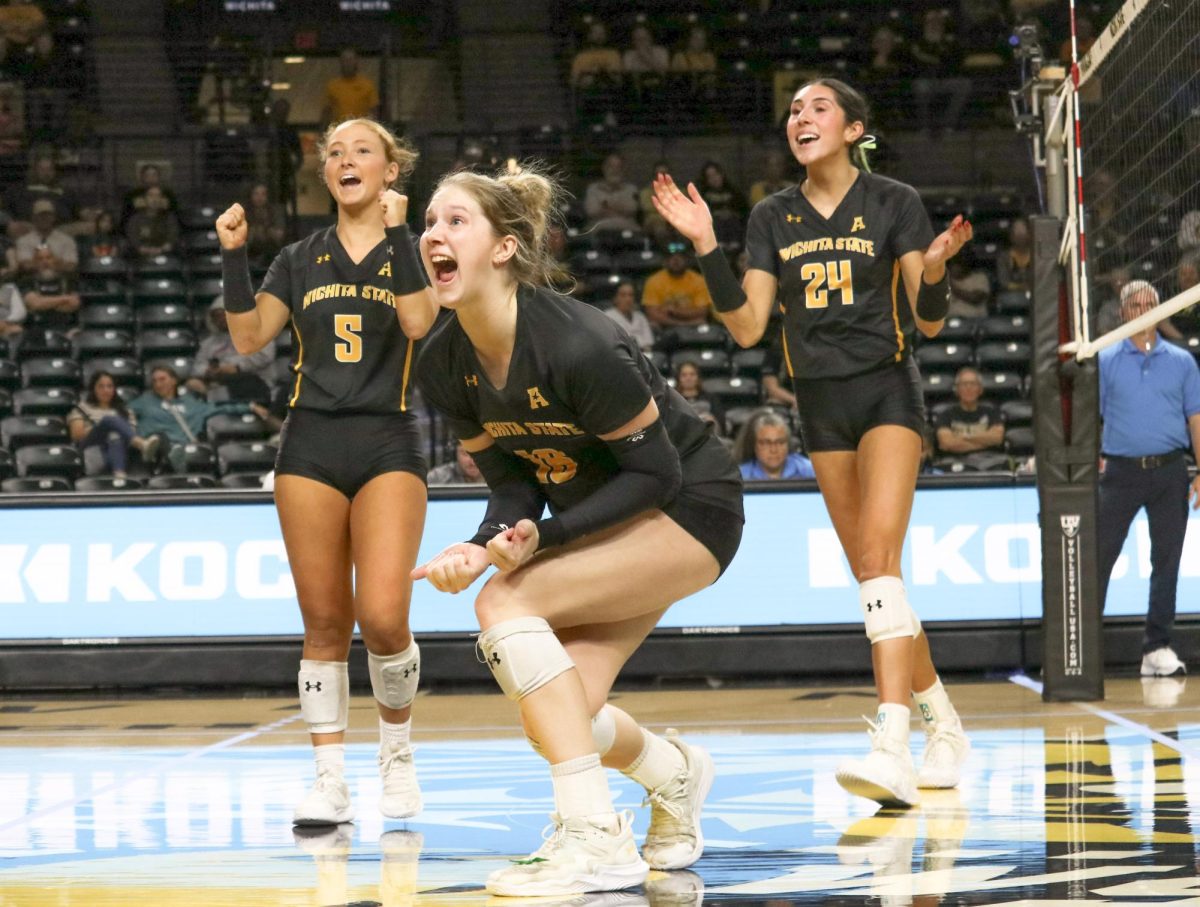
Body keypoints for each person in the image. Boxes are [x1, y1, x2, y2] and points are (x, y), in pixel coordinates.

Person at [412, 163, 743, 895]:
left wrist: (544, 540)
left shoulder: (579, 342)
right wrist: (480, 542)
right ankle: (675, 774)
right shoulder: (442, 361)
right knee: (558, 712)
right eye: (429, 222)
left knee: (503, 604)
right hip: (606, 512)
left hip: (690, 504)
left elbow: (657, 474)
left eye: (456, 220)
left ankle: (595, 839)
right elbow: (512, 482)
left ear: (504, 248)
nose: (434, 234)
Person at [652, 77, 974, 808]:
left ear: (854, 127)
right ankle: (945, 723)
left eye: (817, 106)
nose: (800, 116)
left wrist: (935, 269)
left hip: (888, 388)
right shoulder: (773, 214)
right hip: (821, 405)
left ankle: (892, 739)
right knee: (874, 577)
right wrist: (706, 245)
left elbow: (926, 322)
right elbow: (745, 326)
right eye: (794, 109)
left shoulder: (894, 201)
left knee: (879, 560)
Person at [214, 117, 438, 827]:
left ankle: (396, 754)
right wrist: (235, 256)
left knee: (383, 615)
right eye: (334, 152)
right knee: (323, 623)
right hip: (308, 442)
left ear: (389, 171)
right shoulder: (298, 256)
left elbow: (418, 322)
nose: (345, 159)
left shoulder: (417, 249)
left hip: (387, 441)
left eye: (361, 150)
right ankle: (329, 780)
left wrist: (402, 235)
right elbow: (248, 338)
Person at [1097, 280, 1200, 678]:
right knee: (1100, 558)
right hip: (1120, 472)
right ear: (1123, 311)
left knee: (1167, 561)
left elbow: (1195, 418)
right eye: (1136, 304)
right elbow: (1092, 419)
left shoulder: (1181, 361)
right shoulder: (1105, 360)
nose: (1143, 310)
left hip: (1171, 470)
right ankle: (1087, 648)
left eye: (1151, 304)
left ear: (1161, 310)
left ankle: (1156, 647)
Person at [67, 370, 160, 477]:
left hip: (122, 448)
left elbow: (131, 433)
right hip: (92, 448)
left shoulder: (125, 410)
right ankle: (142, 444)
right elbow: (76, 435)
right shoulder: (82, 408)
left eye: (109, 386)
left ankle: (119, 474)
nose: (106, 390)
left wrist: (113, 430)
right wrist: (102, 427)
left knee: (114, 435)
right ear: (93, 389)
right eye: (101, 386)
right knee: (109, 420)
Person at [186, 296, 275, 402]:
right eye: (216, 316)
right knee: (191, 384)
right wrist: (207, 371)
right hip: (217, 384)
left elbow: (264, 356)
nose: (221, 319)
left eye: (224, 314)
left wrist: (236, 368)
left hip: (254, 382)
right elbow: (197, 366)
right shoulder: (208, 344)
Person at [934, 366, 1005, 456]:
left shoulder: (992, 413)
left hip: (987, 462)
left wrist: (961, 437)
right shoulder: (945, 415)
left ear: (980, 389)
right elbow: (946, 443)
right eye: (964, 384)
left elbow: (996, 438)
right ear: (957, 390)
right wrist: (984, 442)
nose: (968, 388)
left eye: (973, 384)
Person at [641, 241, 712, 328]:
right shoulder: (654, 281)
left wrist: (673, 311)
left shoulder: (699, 280)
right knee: (653, 325)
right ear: (665, 261)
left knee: (701, 323)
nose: (676, 260)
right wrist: (680, 323)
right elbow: (652, 314)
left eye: (680, 257)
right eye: (672, 257)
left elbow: (702, 312)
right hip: (665, 325)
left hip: (693, 325)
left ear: (687, 260)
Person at [734, 409, 814, 480]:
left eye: (780, 442)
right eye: (766, 443)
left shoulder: (811, 472)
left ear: (788, 445)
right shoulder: (740, 477)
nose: (774, 450)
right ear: (754, 446)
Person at [15, 199, 77, 274]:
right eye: (40, 215)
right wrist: (56, 263)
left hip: (60, 280)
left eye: (48, 215)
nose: (44, 218)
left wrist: (39, 263)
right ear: (33, 218)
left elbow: (71, 266)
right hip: (33, 280)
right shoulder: (23, 241)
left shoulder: (67, 240)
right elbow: (26, 265)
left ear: (54, 217)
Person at [321, 48, 379, 127]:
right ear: (340, 62)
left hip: (361, 129)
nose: (348, 63)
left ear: (356, 62)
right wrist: (321, 133)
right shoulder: (332, 86)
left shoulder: (367, 85)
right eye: (345, 60)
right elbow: (326, 112)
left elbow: (374, 112)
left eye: (350, 60)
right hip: (339, 130)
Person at [583, 152, 640, 233]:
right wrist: (620, 210)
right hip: (598, 230)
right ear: (604, 168)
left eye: (618, 167)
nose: (615, 170)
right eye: (611, 166)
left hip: (627, 230)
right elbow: (592, 211)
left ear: (623, 170)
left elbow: (631, 209)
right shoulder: (593, 189)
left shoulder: (632, 189)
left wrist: (605, 208)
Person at [123, 185, 180, 259]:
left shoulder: (169, 217)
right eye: (151, 195)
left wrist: (163, 248)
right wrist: (143, 248)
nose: (154, 199)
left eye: (158, 196)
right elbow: (133, 237)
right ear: (144, 199)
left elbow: (173, 234)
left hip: (165, 255)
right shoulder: (135, 219)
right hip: (140, 256)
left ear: (162, 199)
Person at [673, 358, 725, 435]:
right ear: (679, 378)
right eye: (684, 375)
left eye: (692, 374)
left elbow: (721, 422)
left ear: (698, 377)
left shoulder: (711, 398)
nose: (688, 378)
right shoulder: (672, 399)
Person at [602, 278, 655, 351]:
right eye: (623, 295)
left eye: (631, 295)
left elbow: (649, 343)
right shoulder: (608, 316)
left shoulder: (640, 316)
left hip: (644, 355)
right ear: (615, 298)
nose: (628, 299)